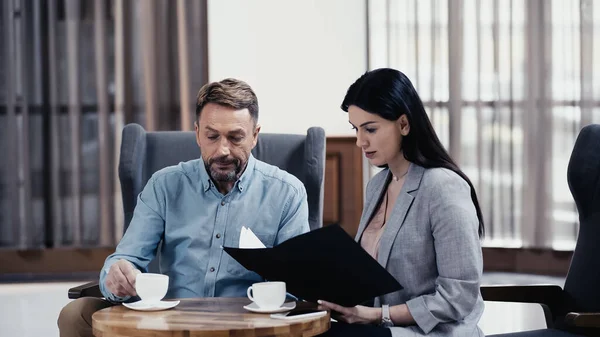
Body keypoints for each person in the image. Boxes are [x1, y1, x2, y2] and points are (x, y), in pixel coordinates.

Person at [58, 78, 310, 337]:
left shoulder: (287, 193)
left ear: (255, 136)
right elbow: (127, 259)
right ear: (198, 133)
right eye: (212, 136)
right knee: (76, 315)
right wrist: (117, 277)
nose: (223, 150)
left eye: (235, 138)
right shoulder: (164, 185)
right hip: (170, 325)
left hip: (248, 327)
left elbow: (297, 287)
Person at [317, 68, 485, 337]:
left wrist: (375, 316)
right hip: (381, 327)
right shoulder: (377, 185)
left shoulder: (443, 187)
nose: (360, 141)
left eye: (370, 129)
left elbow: (458, 295)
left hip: (432, 333)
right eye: (356, 129)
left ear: (404, 124)